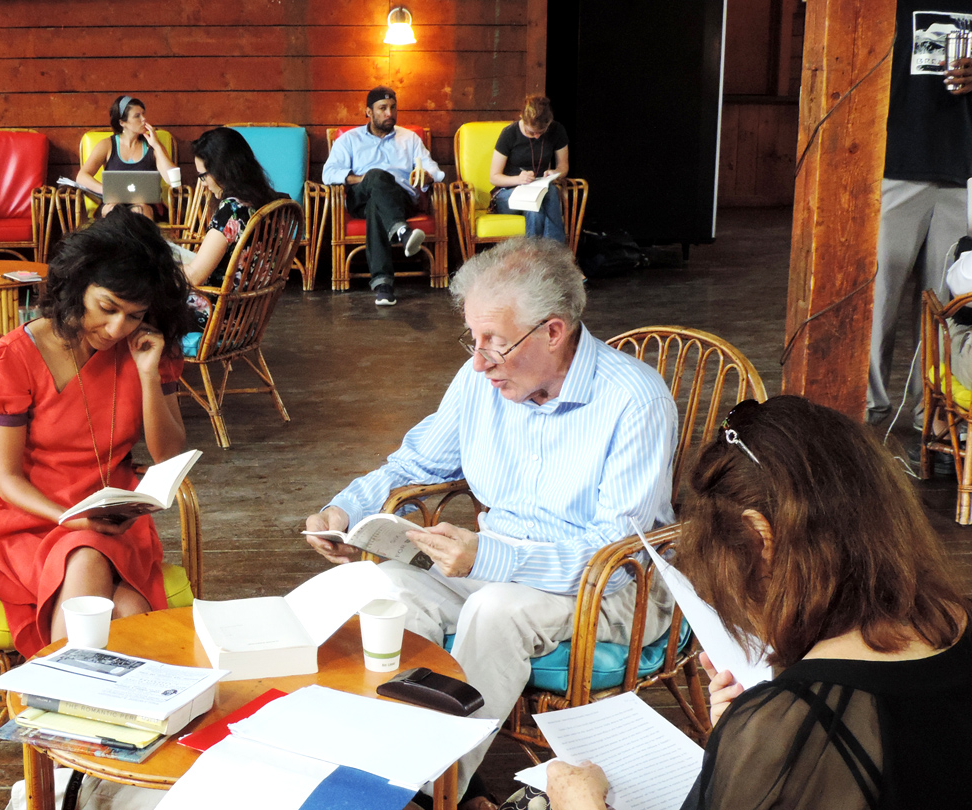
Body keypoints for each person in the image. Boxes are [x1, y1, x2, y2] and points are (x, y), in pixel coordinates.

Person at [302, 237, 677, 808]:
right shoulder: (480, 380)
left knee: (495, 611)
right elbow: (414, 463)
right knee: (384, 589)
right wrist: (346, 509)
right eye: (472, 339)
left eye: (495, 344)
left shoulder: (635, 400)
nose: (478, 362)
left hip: (612, 587)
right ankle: (381, 769)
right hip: (499, 564)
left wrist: (489, 556)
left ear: (553, 331)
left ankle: (430, 794)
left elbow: (615, 551)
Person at [543, 395, 972, 810]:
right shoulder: (960, 616)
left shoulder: (800, 724)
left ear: (760, 538)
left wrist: (580, 805)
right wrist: (751, 739)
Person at [0, 208, 193, 658]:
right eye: (107, 308)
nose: (116, 330)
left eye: (134, 316)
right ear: (77, 285)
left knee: (124, 601)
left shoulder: (149, 349)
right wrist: (71, 519)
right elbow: (7, 479)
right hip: (32, 519)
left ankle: (63, 695)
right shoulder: (10, 360)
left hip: (113, 519)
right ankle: (71, 690)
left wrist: (148, 375)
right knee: (109, 583)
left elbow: (169, 456)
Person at [867, 5, 972, 425]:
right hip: (891, 165)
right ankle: (865, 412)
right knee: (876, 298)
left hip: (962, 168)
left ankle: (933, 415)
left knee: (946, 305)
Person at [322, 85, 445, 307]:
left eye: (393, 107)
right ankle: (402, 232)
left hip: (400, 199)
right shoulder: (350, 139)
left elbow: (435, 171)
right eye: (383, 108)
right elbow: (328, 173)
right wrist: (364, 179)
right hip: (360, 197)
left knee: (375, 208)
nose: (389, 113)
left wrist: (426, 176)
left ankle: (384, 285)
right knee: (376, 176)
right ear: (368, 112)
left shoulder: (409, 139)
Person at [182, 127, 282, 333]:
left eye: (203, 176)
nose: (203, 184)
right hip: (248, 316)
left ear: (221, 170)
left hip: (217, 315)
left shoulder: (232, 211)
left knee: (138, 297)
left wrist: (157, 267)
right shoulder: (271, 203)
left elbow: (194, 277)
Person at [75, 95, 178, 219]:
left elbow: (173, 180)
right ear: (122, 122)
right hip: (115, 203)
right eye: (137, 116)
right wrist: (106, 190)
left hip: (146, 205)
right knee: (113, 210)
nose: (144, 119)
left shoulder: (152, 146)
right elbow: (82, 177)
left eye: (143, 114)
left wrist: (156, 146)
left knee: (139, 210)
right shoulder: (107, 145)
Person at [489, 95, 570, 243]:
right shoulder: (509, 134)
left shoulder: (557, 130)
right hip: (508, 193)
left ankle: (536, 254)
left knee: (536, 209)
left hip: (538, 192)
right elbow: (494, 177)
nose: (537, 136)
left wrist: (555, 173)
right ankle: (557, 249)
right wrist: (518, 179)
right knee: (548, 194)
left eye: (541, 132)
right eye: (531, 132)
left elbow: (563, 166)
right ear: (522, 119)